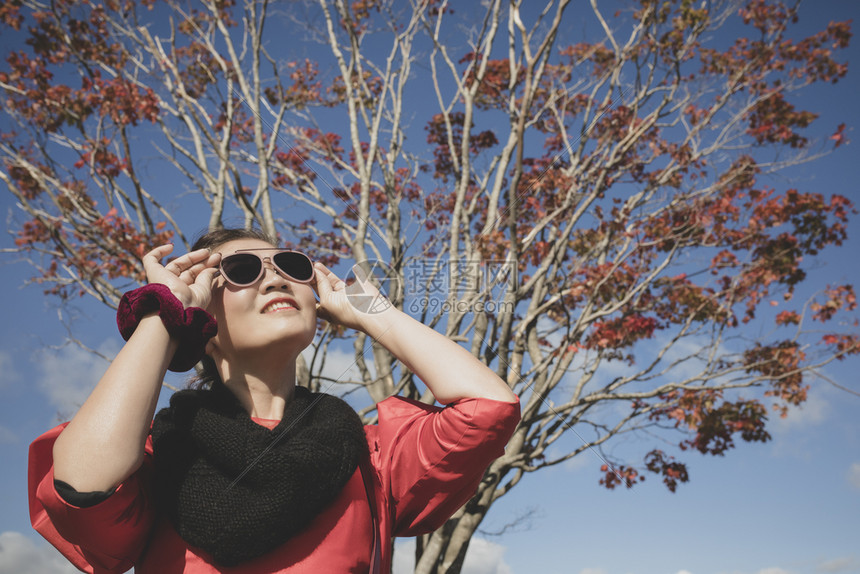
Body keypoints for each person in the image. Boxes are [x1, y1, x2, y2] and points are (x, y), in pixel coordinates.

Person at [28, 228, 520, 573]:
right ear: (204, 319)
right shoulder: (160, 459)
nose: (276, 277)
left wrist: (373, 311)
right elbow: (81, 485)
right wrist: (164, 312)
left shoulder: (372, 459)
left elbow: (488, 409)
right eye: (241, 270)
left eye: (291, 265)